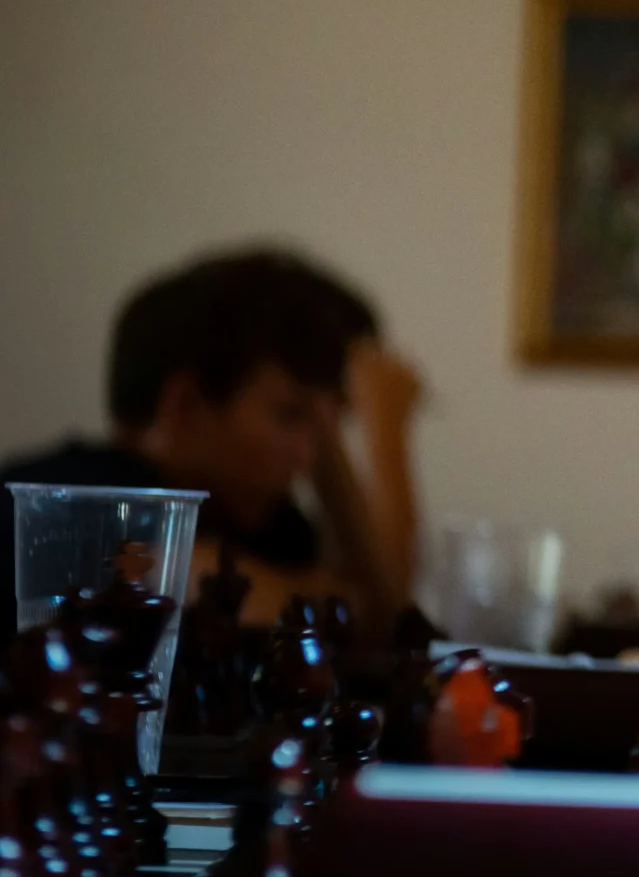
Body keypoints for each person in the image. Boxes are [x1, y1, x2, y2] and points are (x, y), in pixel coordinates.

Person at [0, 247, 422, 630]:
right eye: (290, 415)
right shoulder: (66, 501)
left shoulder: (271, 527)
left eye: (326, 429)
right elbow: (321, 614)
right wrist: (385, 437)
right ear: (184, 406)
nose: (307, 455)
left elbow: (381, 624)